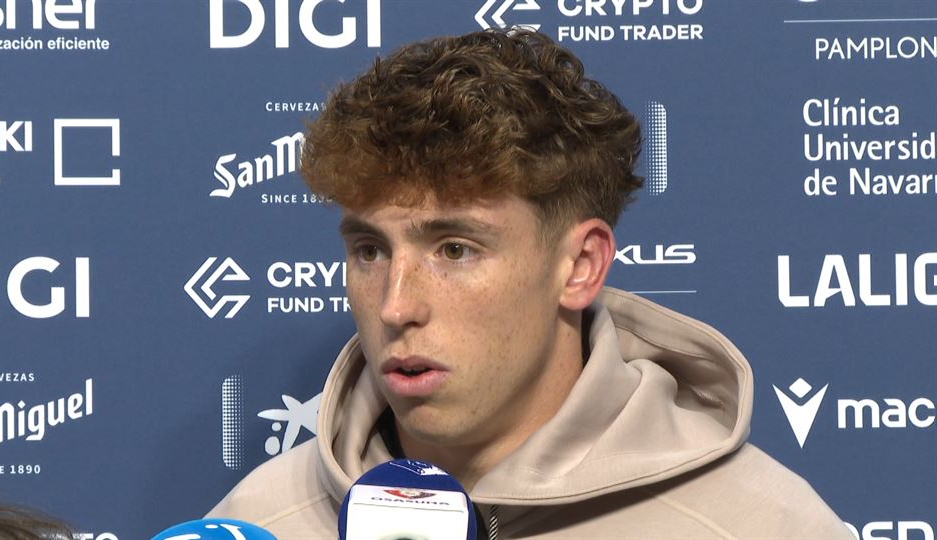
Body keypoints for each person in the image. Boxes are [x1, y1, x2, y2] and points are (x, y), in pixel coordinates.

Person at [208, 28, 851, 538]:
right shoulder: (261, 521)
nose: (396, 306)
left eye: (455, 249)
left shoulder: (760, 525)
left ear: (580, 266)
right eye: (371, 250)